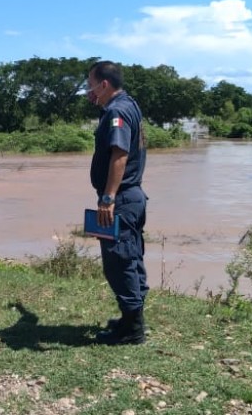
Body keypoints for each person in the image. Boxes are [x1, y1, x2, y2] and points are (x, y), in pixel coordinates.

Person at [87, 60, 148, 345]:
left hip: (120, 198)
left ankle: (132, 328)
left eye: (92, 86)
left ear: (104, 84)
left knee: (118, 261)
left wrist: (108, 198)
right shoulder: (128, 104)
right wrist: (99, 104)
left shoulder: (116, 111)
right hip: (133, 195)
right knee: (131, 257)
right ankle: (130, 318)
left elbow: (119, 155)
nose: (90, 91)